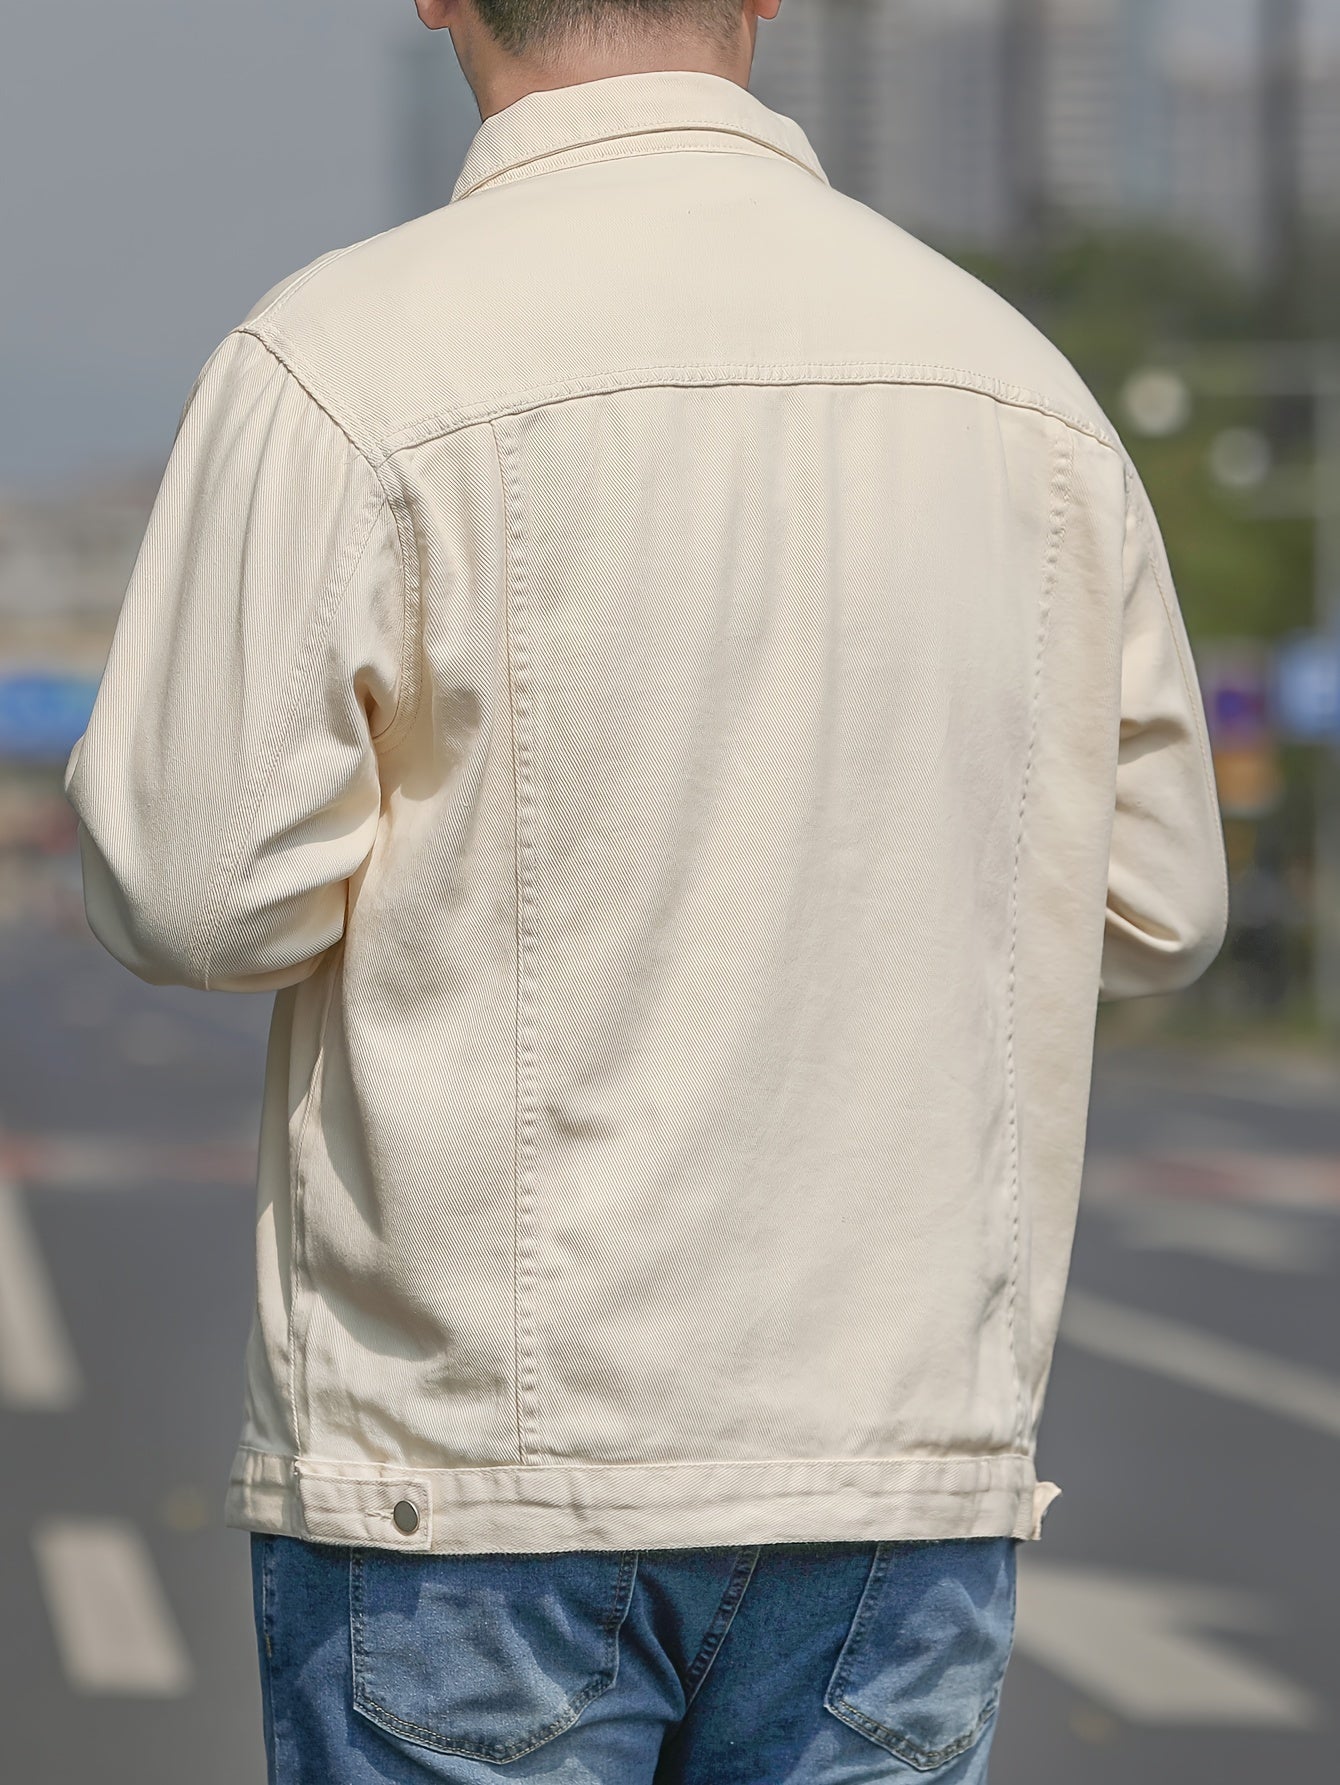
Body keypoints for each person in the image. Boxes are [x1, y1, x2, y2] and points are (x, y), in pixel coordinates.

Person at [62, 2, 1229, 1780]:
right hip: (892, 1459)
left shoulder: (343, 361)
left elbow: (190, 888)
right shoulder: (1019, 391)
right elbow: (1158, 900)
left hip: (478, 1470)